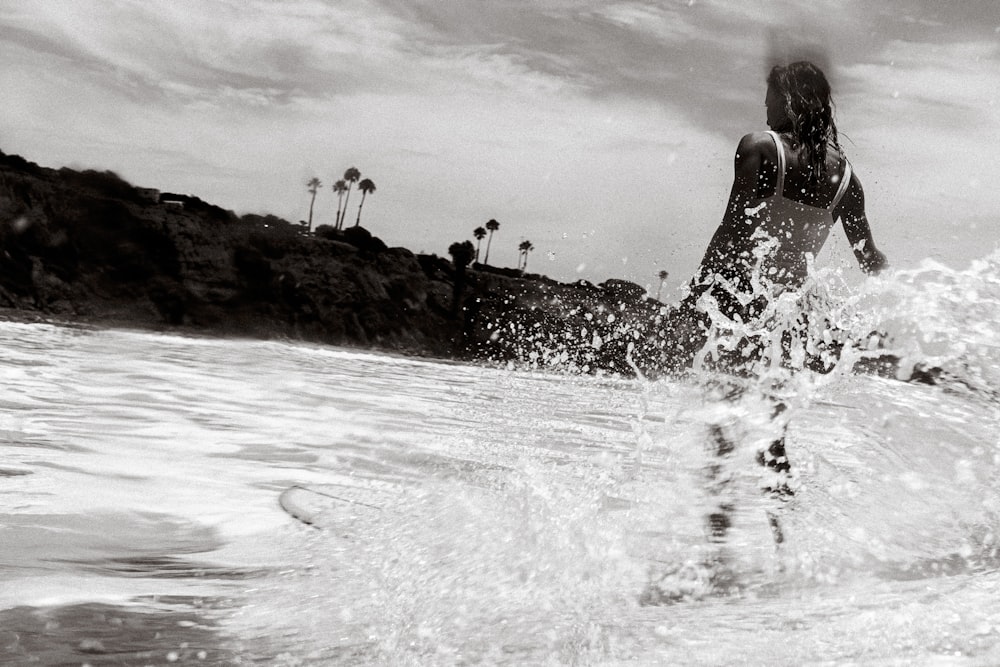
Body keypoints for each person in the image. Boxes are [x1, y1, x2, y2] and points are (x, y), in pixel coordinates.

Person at [647, 63, 888, 603]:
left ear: (789, 99)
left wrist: (697, 296)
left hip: (739, 306)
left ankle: (716, 558)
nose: (764, 105)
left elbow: (733, 230)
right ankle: (786, 557)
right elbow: (870, 258)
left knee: (723, 428)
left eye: (770, 94)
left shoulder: (759, 147)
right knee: (773, 440)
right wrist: (907, 306)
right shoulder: (846, 179)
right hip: (792, 319)